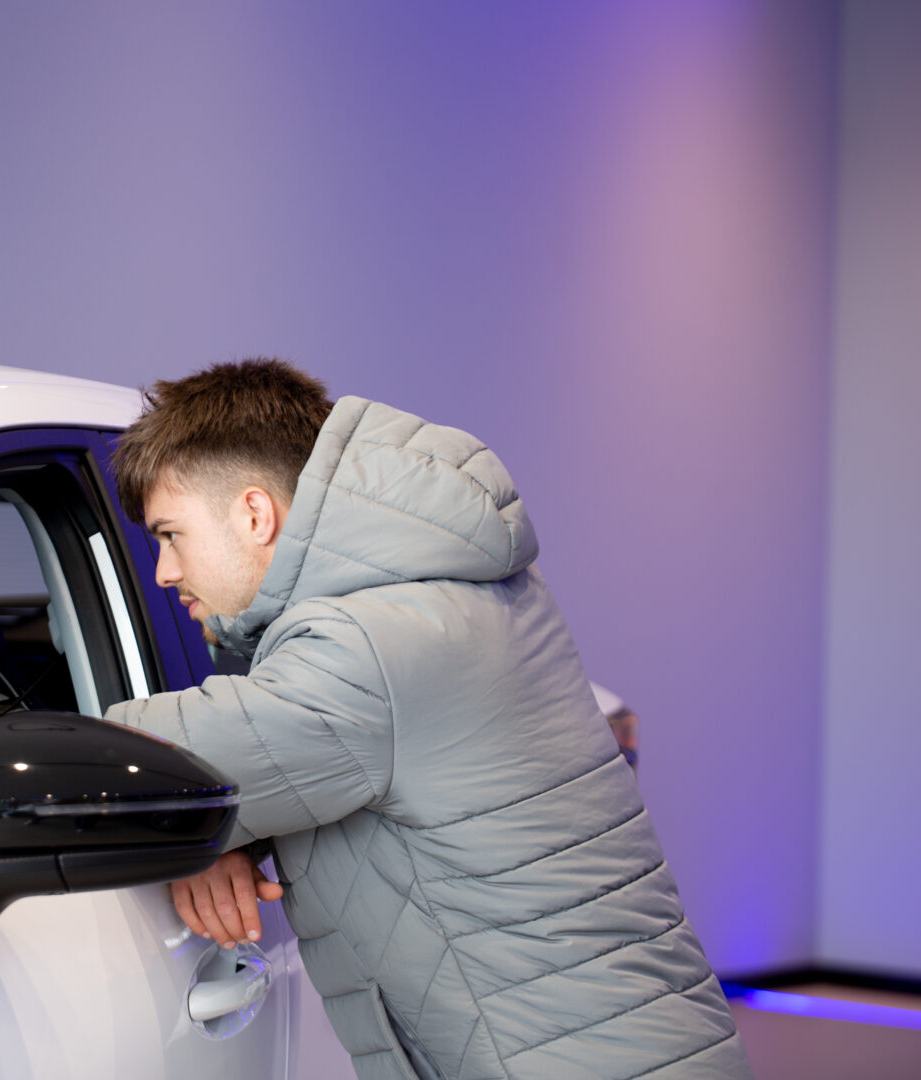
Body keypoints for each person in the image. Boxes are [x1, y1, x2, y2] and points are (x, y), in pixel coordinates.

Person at [103, 360, 751, 1079]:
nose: (164, 571)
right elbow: (300, 756)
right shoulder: (443, 590)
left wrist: (208, 820)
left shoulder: (369, 644)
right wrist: (221, 836)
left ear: (255, 515)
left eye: (171, 535)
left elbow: (150, 765)